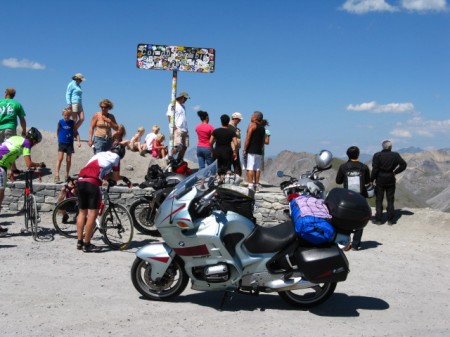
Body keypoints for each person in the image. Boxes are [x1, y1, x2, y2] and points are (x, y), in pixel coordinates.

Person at [75, 143, 127, 252]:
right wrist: (124, 178)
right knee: (92, 215)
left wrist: (106, 176)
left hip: (80, 180)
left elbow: (97, 169)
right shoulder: (116, 157)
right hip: (93, 183)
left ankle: (79, 242)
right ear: (121, 154)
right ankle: (87, 244)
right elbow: (116, 177)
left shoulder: (99, 154)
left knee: (82, 213)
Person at [0, 127, 45, 235]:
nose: (34, 145)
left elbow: (10, 152)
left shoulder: (16, 138)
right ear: (33, 140)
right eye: (36, 143)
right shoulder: (27, 144)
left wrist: (13, 170)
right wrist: (39, 164)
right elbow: (29, 164)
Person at [336, 146, 371, 251]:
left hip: (348, 197)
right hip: (360, 197)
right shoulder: (364, 167)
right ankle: (356, 244)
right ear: (358, 154)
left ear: (347, 155)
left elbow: (338, 181)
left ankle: (344, 243)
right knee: (359, 220)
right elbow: (367, 182)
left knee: (345, 220)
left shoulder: (343, 167)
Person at [371, 140, 407, 225]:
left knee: (379, 199)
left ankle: (379, 219)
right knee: (390, 199)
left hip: (380, 178)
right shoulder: (395, 155)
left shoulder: (377, 155)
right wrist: (395, 172)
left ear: (382, 146)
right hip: (390, 178)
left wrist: (371, 179)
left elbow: (375, 168)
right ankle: (390, 219)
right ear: (390, 147)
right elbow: (403, 164)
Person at [0, 88, 27, 175]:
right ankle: (10, 171)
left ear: (6, 93)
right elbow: (22, 119)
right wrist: (24, 130)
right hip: (10, 128)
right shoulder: (17, 104)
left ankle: (12, 170)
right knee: (10, 149)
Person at [55, 108, 81, 183]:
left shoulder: (72, 123)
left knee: (69, 160)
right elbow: (57, 130)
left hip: (69, 143)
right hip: (62, 142)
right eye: (65, 115)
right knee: (60, 158)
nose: (66, 117)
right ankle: (57, 174)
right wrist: (59, 138)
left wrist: (78, 141)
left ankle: (67, 175)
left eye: (68, 115)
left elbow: (76, 132)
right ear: (63, 115)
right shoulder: (60, 122)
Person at [243, 111, 266, 191]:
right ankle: (256, 184)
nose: (251, 117)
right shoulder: (263, 128)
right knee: (257, 168)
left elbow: (248, 138)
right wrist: (261, 148)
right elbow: (263, 141)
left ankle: (250, 185)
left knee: (250, 167)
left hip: (251, 150)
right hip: (259, 150)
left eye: (252, 115)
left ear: (256, 117)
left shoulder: (252, 125)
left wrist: (245, 149)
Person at [166, 91, 190, 161]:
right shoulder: (173, 104)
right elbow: (169, 115)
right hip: (177, 128)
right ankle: (168, 157)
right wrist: (173, 126)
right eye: (185, 99)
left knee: (185, 146)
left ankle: (179, 160)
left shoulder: (183, 106)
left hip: (184, 129)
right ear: (182, 97)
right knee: (178, 145)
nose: (186, 100)